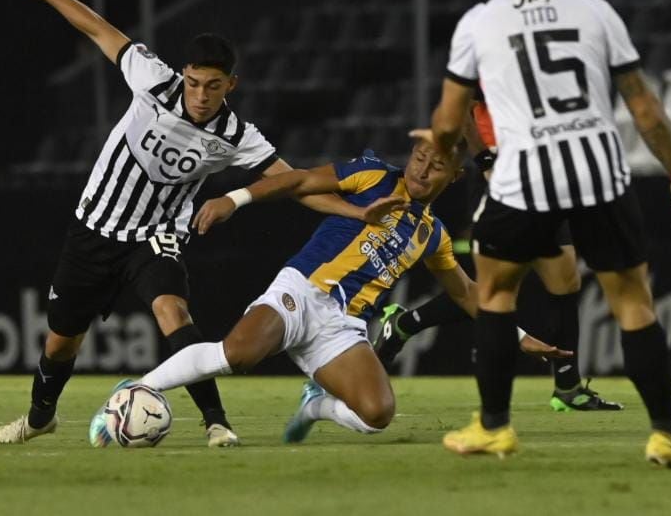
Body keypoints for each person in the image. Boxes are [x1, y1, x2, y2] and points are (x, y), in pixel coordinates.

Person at [0, 0, 368, 448]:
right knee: (61, 341)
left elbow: (294, 183)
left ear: (231, 84)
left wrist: (357, 212)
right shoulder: (152, 80)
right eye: (193, 82)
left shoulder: (236, 135)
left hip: (155, 237)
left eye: (212, 85)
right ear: (181, 74)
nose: (200, 94)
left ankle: (217, 423)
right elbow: (99, 29)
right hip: (94, 227)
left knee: (174, 313)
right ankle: (39, 419)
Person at [428, 0, 671, 467]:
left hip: (523, 177)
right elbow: (646, 109)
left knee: (497, 294)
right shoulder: (596, 11)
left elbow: (447, 122)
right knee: (633, 302)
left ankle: (495, 427)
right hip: (599, 171)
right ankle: (668, 435)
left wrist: (440, 149)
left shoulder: (479, 21)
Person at [88, 139, 570, 446]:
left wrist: (520, 336)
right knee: (237, 353)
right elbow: (298, 180)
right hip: (302, 289)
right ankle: (136, 391)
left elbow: (465, 292)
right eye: (420, 158)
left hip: (341, 326)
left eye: (436, 166)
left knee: (378, 414)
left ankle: (313, 405)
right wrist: (234, 199)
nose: (422, 169)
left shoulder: (432, 235)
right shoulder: (374, 174)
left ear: (454, 176)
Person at [375, 93, 622, 412]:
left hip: (538, 179)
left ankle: (568, 386)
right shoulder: (491, 52)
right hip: (498, 178)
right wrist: (486, 161)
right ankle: (492, 414)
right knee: (494, 291)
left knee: (566, 279)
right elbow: (462, 106)